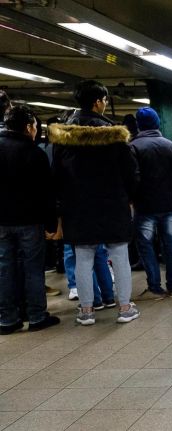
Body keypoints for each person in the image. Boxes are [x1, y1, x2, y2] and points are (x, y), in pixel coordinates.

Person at [50, 79, 140, 325]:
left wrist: (60, 206)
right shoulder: (115, 135)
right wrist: (131, 197)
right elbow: (130, 172)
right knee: (119, 255)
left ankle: (86, 311)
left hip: (77, 206)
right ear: (99, 102)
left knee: (83, 256)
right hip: (113, 203)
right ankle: (124, 308)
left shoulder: (64, 137)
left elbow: (56, 175)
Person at [0, 105, 61, 334]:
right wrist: (51, 223)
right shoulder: (35, 154)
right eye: (36, 126)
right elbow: (46, 192)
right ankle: (36, 316)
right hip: (29, 221)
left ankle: (7, 319)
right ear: (28, 127)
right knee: (33, 268)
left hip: (1, 222)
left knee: (4, 269)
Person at [130, 107, 172, 298]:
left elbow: (133, 177)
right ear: (157, 123)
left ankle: (155, 285)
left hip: (144, 206)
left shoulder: (133, 147)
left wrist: (135, 196)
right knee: (169, 244)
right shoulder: (171, 146)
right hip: (168, 204)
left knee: (146, 245)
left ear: (139, 125)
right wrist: (169, 189)